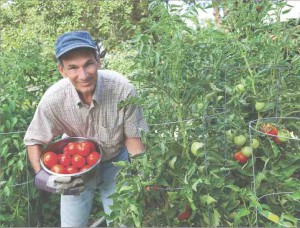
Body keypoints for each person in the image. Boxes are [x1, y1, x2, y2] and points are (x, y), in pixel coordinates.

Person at [23, 30, 148, 227]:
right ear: (62, 70)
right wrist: (42, 176)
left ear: (98, 60)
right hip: (76, 170)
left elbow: (133, 138)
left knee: (123, 222)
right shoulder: (53, 100)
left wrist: (143, 173)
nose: (83, 75)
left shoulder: (122, 89)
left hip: (117, 163)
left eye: (88, 64)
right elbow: (34, 140)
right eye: (73, 68)